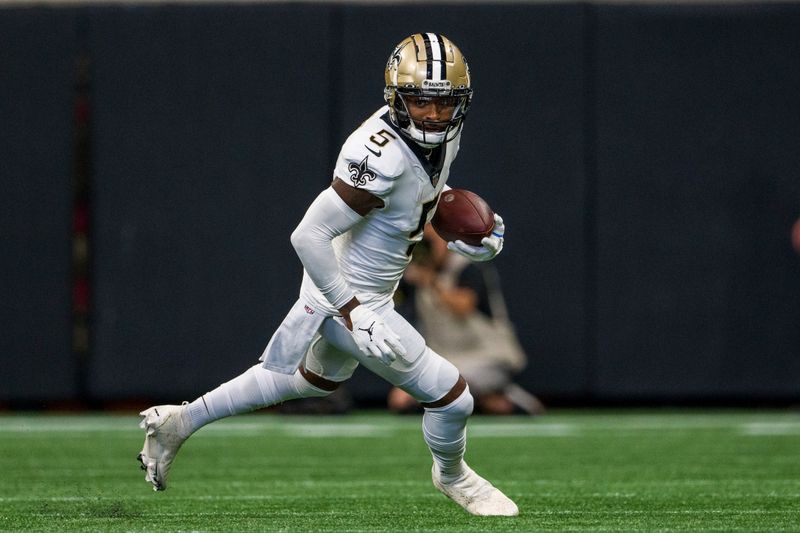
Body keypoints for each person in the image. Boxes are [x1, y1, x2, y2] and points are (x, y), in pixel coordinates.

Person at [136, 33, 518, 517]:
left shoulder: (442, 136)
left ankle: (179, 422)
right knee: (453, 396)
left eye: (446, 103)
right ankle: (454, 475)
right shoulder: (376, 154)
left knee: (305, 383)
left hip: (364, 289)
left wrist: (467, 237)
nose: (435, 115)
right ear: (396, 97)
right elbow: (307, 236)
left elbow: (416, 202)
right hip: (351, 295)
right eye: (421, 100)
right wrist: (355, 312)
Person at [388, 227, 544, 415]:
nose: (426, 249)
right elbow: (391, 299)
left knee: (448, 383)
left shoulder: (466, 266)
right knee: (401, 399)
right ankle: (489, 398)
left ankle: (503, 393)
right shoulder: (415, 273)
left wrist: (431, 282)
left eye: (431, 243)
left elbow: (463, 307)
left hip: (487, 357)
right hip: (446, 359)